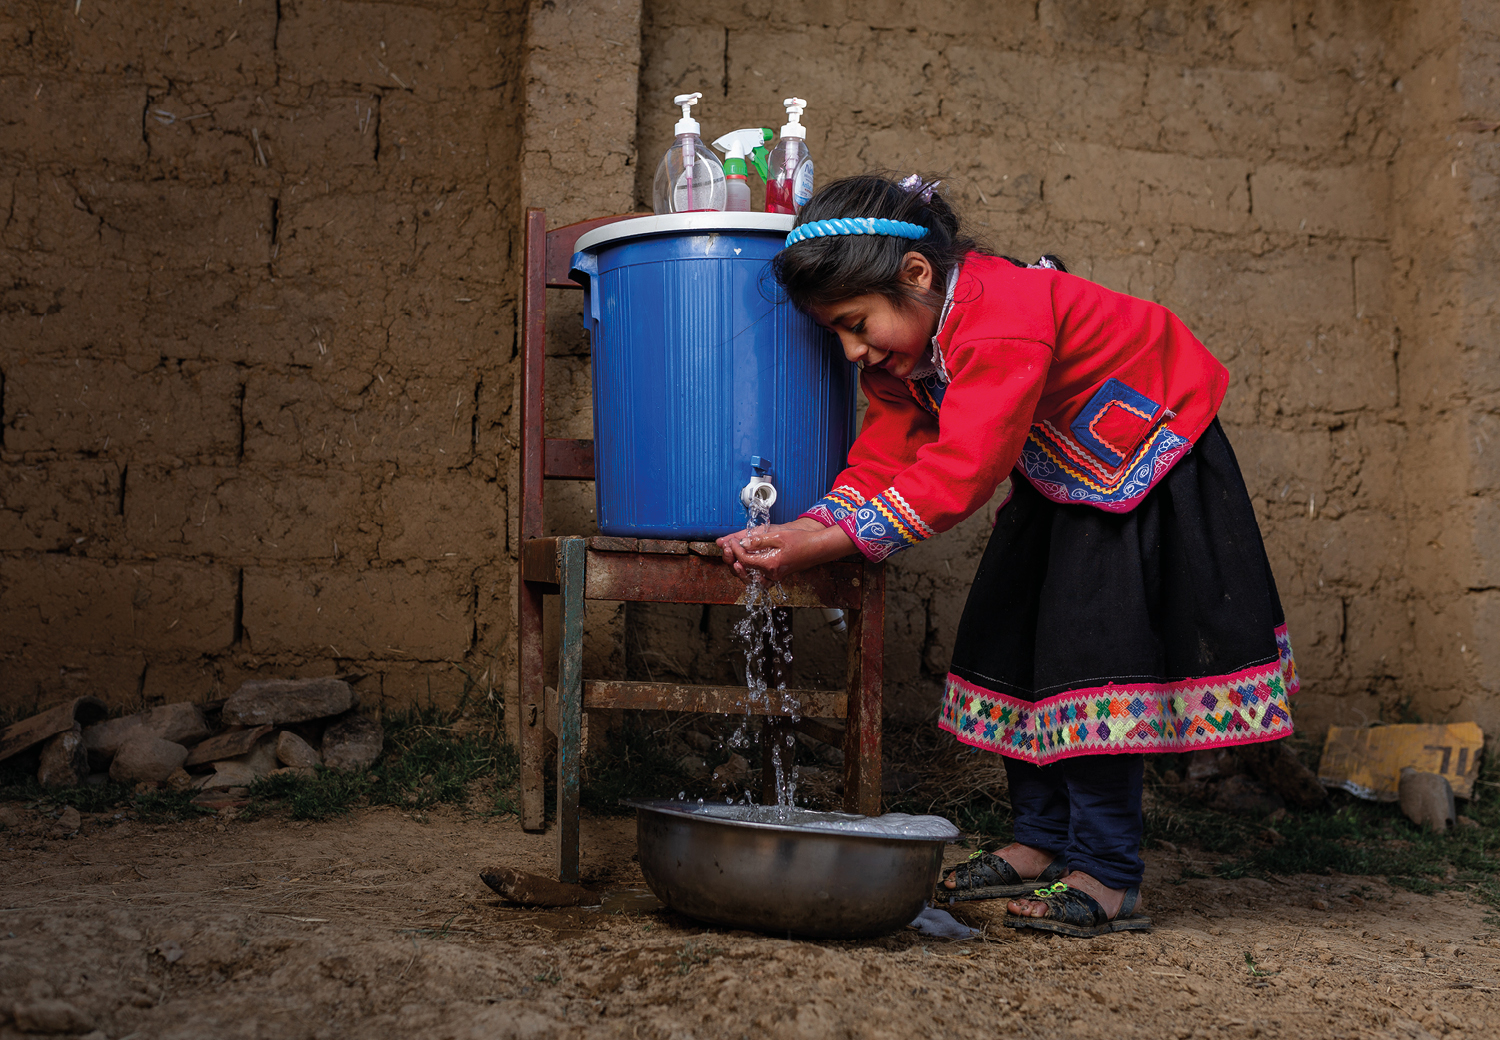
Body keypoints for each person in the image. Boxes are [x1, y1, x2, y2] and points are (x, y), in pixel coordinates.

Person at [717, 173, 1299, 938]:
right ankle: (1039, 841)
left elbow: (963, 469)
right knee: (1013, 643)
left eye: (856, 323)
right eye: (838, 335)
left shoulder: (1002, 318)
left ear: (916, 276)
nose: (854, 349)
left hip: (1143, 463)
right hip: (1066, 470)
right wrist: (821, 519)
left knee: (1094, 665)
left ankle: (1108, 875)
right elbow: (889, 451)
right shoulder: (908, 353)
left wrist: (831, 541)